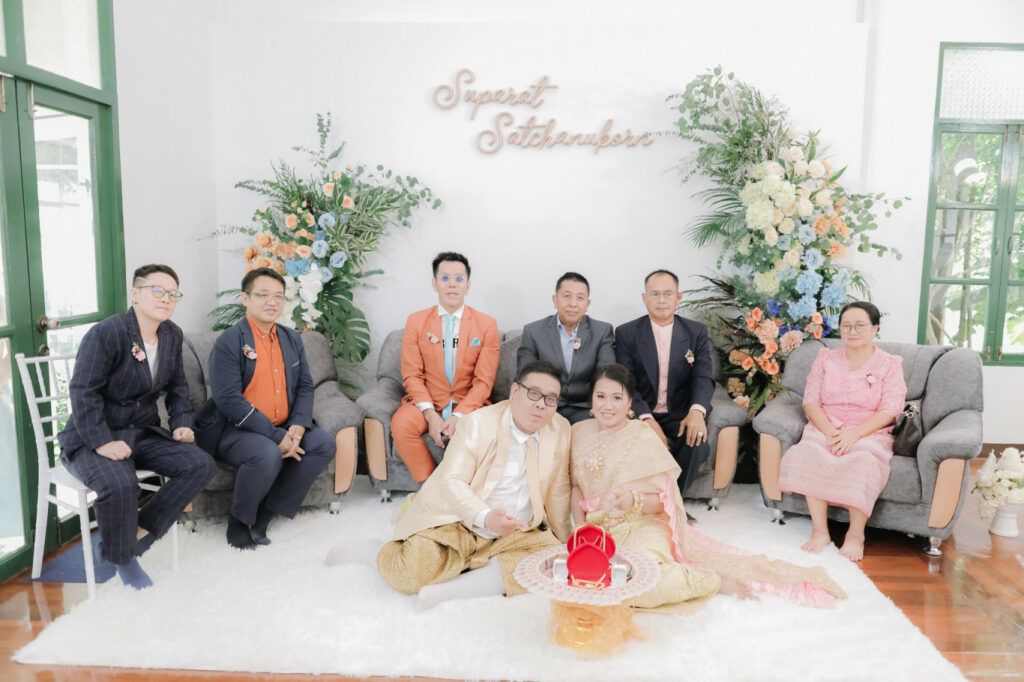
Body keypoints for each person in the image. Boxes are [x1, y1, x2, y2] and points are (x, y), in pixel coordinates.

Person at [570, 364, 846, 610]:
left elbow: (663, 502)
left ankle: (710, 580)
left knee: (642, 583)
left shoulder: (641, 437)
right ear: (591, 400)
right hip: (597, 533)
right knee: (593, 582)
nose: (608, 405)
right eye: (601, 396)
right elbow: (576, 488)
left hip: (641, 525)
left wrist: (632, 501)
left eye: (617, 398)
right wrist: (581, 529)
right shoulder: (579, 432)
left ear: (630, 403)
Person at [58, 264, 215, 589]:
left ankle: (136, 534)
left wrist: (181, 423)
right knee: (121, 484)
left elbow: (177, 387)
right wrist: (102, 442)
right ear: (135, 293)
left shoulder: (171, 334)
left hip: (142, 432)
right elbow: (83, 391)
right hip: (92, 436)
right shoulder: (108, 332)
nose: (166, 298)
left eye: (173, 293)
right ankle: (123, 558)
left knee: (199, 464)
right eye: (158, 290)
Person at [374, 361, 571, 610]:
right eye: (534, 393)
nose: (541, 404)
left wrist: (565, 542)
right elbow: (451, 480)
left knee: (554, 564)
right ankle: (375, 550)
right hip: (463, 523)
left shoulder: (560, 428)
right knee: (408, 571)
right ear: (514, 392)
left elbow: (559, 490)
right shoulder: (478, 423)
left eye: (551, 399)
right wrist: (486, 517)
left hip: (519, 532)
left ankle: (447, 591)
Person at [195, 267, 336, 549]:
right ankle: (239, 520)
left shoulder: (291, 338)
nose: (272, 302)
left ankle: (266, 512)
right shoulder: (229, 342)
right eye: (262, 295)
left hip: (283, 423)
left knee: (322, 443)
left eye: (278, 296)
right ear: (245, 298)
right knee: (267, 453)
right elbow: (228, 400)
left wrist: (298, 425)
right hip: (237, 429)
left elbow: (305, 386)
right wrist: (276, 436)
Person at [779, 301, 907, 562]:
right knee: (808, 452)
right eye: (846, 325)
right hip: (826, 424)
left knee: (863, 461)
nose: (852, 331)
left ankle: (856, 534)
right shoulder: (825, 358)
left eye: (860, 325)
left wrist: (854, 434)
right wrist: (829, 432)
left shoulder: (890, 364)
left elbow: (891, 409)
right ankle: (820, 531)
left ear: (875, 328)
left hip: (869, 429)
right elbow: (810, 401)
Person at [392, 251, 500, 483]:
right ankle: (430, 485)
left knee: (485, 432)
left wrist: (460, 415)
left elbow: (484, 382)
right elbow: (411, 375)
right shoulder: (416, 321)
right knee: (401, 424)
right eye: (445, 278)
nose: (452, 284)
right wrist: (430, 414)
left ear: (468, 285)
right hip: (428, 400)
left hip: (468, 403)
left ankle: (465, 487)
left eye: (459, 279)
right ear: (435, 283)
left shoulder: (486, 325)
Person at [614, 269, 714, 496]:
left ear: (678, 297)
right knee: (638, 445)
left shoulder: (696, 332)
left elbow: (703, 377)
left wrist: (697, 412)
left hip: (680, 414)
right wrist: (646, 419)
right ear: (645, 297)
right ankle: (665, 504)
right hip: (643, 412)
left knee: (698, 446)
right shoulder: (626, 333)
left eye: (668, 294)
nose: (661, 300)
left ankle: (669, 503)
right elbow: (626, 382)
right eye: (655, 294)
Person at [516, 271, 615, 424]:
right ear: (555, 300)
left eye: (580, 298)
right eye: (567, 296)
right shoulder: (534, 331)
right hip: (545, 406)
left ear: (588, 304)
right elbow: (525, 376)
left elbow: (606, 374)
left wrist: (600, 407)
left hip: (586, 409)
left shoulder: (602, 331)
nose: (573, 304)